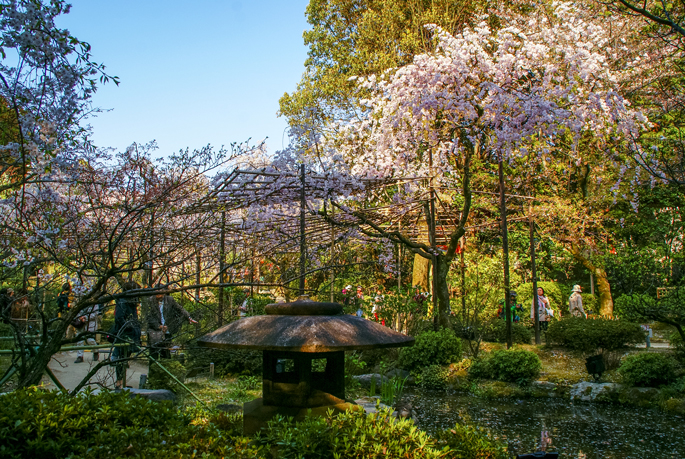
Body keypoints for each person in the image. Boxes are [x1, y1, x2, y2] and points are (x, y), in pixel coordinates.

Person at [146, 285, 197, 359]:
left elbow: (180, 309)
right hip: (154, 331)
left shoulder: (169, 300)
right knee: (154, 354)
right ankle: (153, 369)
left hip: (167, 331)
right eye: (156, 292)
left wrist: (188, 317)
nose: (158, 294)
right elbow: (148, 317)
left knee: (166, 353)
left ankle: (166, 367)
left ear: (164, 293)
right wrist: (159, 326)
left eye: (160, 292)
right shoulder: (149, 301)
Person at [112, 281, 142, 389]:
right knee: (121, 358)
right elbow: (119, 318)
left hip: (131, 333)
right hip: (123, 334)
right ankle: (119, 383)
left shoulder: (131, 302)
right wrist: (129, 326)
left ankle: (122, 382)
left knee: (125, 359)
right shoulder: (123, 302)